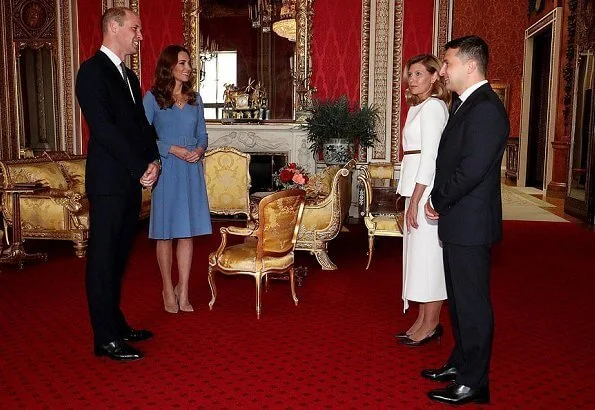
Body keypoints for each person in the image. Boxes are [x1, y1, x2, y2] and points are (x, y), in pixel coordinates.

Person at [423, 36, 509, 405]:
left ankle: (475, 382)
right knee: (458, 301)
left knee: (472, 304)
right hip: (460, 221)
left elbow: (471, 169)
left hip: (470, 222)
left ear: (470, 66)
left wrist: (439, 200)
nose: (443, 70)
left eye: (448, 63)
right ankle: (461, 362)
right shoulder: (466, 103)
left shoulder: (487, 108)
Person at [75, 7, 161, 361]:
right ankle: (105, 338)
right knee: (103, 260)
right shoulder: (91, 72)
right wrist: (139, 165)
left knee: (120, 258)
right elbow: (105, 130)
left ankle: (116, 322)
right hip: (109, 182)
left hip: (129, 181)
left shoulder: (129, 74)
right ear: (113, 27)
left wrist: (153, 160)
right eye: (135, 28)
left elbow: (140, 124)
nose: (140, 35)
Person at [143, 45, 212, 314]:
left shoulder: (195, 99)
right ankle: (166, 288)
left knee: (186, 232)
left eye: (189, 64)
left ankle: (183, 290)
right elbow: (144, 136)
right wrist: (172, 149)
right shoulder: (153, 98)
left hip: (191, 170)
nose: (188, 68)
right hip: (168, 168)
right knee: (165, 233)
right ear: (169, 66)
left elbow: (203, 135)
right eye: (182, 63)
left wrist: (197, 150)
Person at [395, 54, 449, 347]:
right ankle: (421, 320)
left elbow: (429, 158)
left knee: (430, 259)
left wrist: (416, 199)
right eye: (410, 75)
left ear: (433, 77)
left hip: (425, 189)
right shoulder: (418, 107)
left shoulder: (434, 108)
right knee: (419, 257)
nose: (412, 80)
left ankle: (432, 324)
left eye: (418, 74)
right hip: (414, 186)